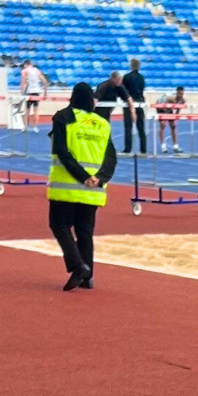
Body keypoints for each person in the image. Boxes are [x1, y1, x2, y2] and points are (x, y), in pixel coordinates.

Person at [47, 81, 117, 291]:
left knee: (59, 225)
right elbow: (111, 157)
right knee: (85, 232)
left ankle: (78, 266)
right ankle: (88, 278)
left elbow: (61, 150)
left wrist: (82, 176)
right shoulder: (102, 123)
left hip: (66, 187)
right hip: (93, 190)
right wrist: (100, 178)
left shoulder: (64, 117)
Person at [122, 56, 147, 154]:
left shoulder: (126, 77)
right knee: (140, 127)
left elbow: (124, 91)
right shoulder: (141, 78)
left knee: (128, 126)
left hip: (129, 103)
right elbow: (142, 90)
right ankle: (143, 148)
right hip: (139, 102)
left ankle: (128, 148)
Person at [156, 85, 185, 152]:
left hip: (169, 108)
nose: (180, 96)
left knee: (173, 126)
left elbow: (178, 110)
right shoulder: (171, 98)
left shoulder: (183, 100)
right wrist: (165, 117)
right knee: (163, 124)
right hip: (161, 106)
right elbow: (162, 108)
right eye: (179, 94)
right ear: (177, 92)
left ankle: (175, 146)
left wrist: (175, 119)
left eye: (182, 94)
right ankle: (163, 147)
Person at [20, 59, 46, 128]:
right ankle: (35, 127)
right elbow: (44, 82)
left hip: (29, 92)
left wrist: (22, 92)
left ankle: (26, 126)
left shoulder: (25, 71)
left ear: (26, 64)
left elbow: (23, 82)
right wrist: (45, 92)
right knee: (36, 110)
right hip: (36, 92)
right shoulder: (37, 71)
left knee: (27, 110)